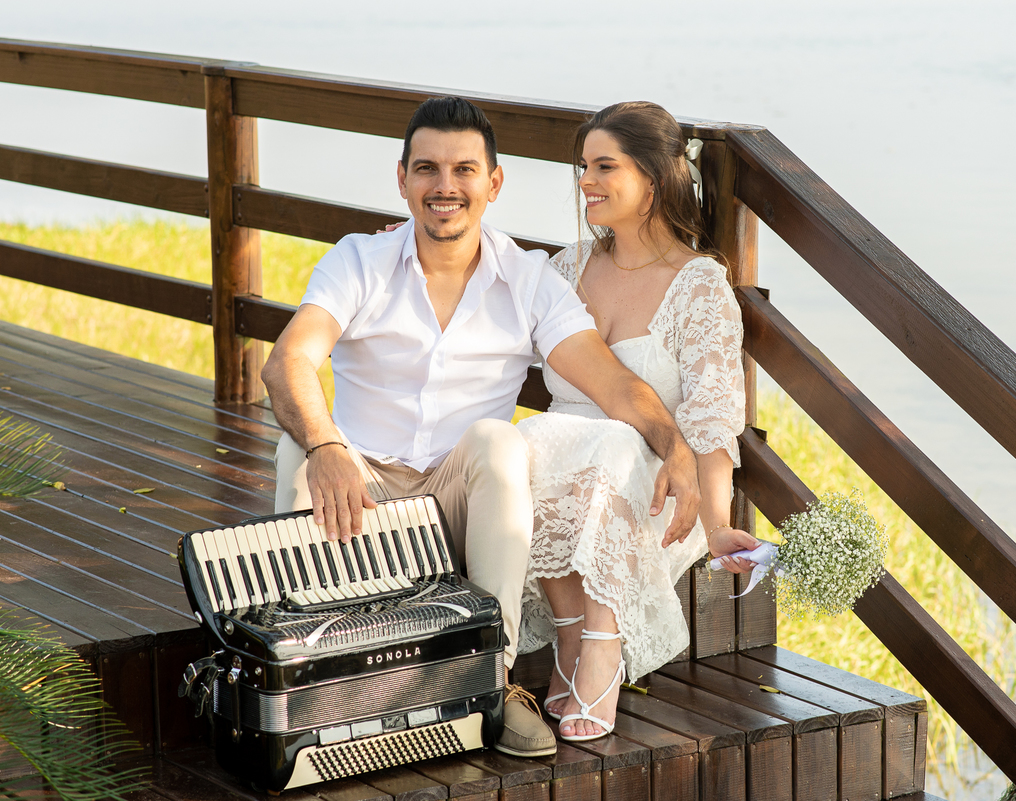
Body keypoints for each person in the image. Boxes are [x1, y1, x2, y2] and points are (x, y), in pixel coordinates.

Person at [261, 97, 703, 759]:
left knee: (498, 440)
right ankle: (305, 668)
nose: (445, 186)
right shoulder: (358, 260)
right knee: (296, 447)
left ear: (493, 183)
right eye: (427, 169)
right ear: (403, 179)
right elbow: (289, 361)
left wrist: (676, 448)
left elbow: (612, 383)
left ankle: (491, 677)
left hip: (458, 508)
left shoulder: (527, 280)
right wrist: (326, 444)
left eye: (464, 170)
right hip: (358, 497)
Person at [513, 101, 760, 742]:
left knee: (617, 445)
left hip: (654, 484)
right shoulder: (567, 267)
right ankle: (572, 632)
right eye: (583, 166)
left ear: (653, 179)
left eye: (604, 167)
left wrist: (718, 524)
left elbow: (712, 423)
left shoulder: (698, 285)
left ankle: (602, 644)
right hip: (562, 473)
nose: (585, 181)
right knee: (524, 442)